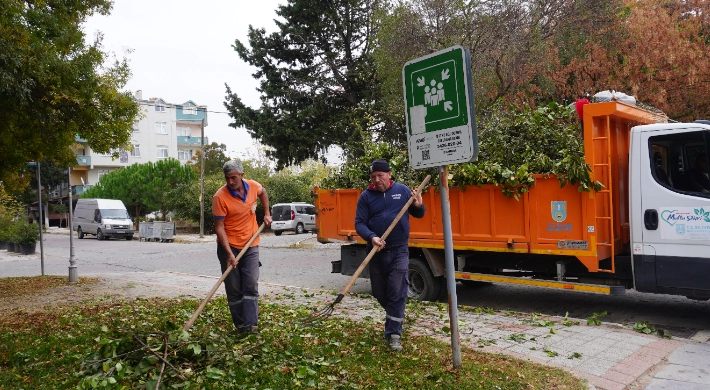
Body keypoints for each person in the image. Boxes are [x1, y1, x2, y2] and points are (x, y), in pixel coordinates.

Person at [354, 159, 425, 352]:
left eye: (380, 176)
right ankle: (396, 316)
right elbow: (359, 223)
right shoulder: (366, 197)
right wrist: (372, 237)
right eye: (373, 177)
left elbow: (419, 214)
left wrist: (419, 204)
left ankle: (394, 334)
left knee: (396, 291)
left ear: (389, 174)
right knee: (379, 292)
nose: (377, 180)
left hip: (399, 250)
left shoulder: (402, 191)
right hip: (375, 252)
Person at [213, 160, 272, 336]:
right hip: (228, 246)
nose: (230, 182)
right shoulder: (220, 197)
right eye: (227, 178)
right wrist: (229, 254)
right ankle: (241, 327)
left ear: (241, 175)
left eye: (233, 177)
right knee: (234, 288)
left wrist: (267, 213)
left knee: (251, 284)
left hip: (251, 244)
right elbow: (219, 227)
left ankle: (252, 326)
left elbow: (263, 192)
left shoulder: (253, 186)